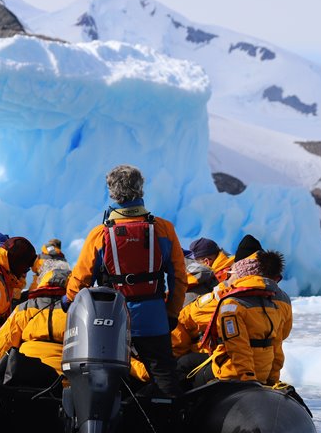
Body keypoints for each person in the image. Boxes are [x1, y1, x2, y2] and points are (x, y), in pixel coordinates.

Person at [66, 164, 187, 398]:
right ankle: (171, 426)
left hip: (108, 320)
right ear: (141, 189)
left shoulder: (100, 234)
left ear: (112, 192)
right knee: (164, 378)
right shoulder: (163, 229)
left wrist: (68, 302)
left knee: (105, 380)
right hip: (153, 317)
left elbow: (80, 279)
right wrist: (170, 314)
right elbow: (179, 277)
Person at [194, 235, 293, 385]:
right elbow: (279, 340)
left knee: (185, 366)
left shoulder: (230, 299)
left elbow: (236, 346)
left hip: (235, 371)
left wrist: (247, 378)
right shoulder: (281, 298)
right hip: (264, 369)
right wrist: (272, 379)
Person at [0, 268, 71, 385]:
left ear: (43, 282)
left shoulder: (24, 308)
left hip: (24, 380)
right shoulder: (81, 311)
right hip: (67, 382)